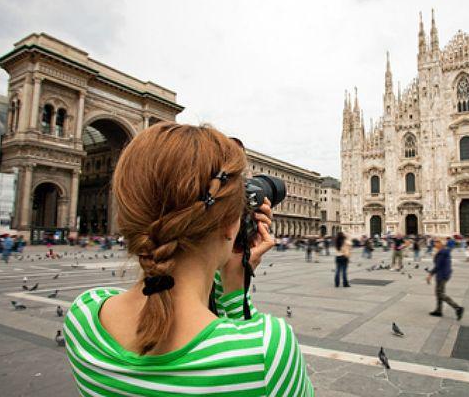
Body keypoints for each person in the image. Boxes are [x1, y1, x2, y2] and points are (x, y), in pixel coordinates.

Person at [64, 123, 313, 396]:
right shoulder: (265, 352)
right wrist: (234, 290)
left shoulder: (83, 317)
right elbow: (249, 355)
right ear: (231, 225)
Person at [427, 239, 464, 320]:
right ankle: (438, 310)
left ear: (441, 244)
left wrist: (430, 274)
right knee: (439, 292)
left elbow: (438, 266)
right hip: (444, 274)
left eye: (437, 242)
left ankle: (457, 308)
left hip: (442, 275)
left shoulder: (442, 252)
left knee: (440, 293)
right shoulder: (443, 251)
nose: (435, 243)